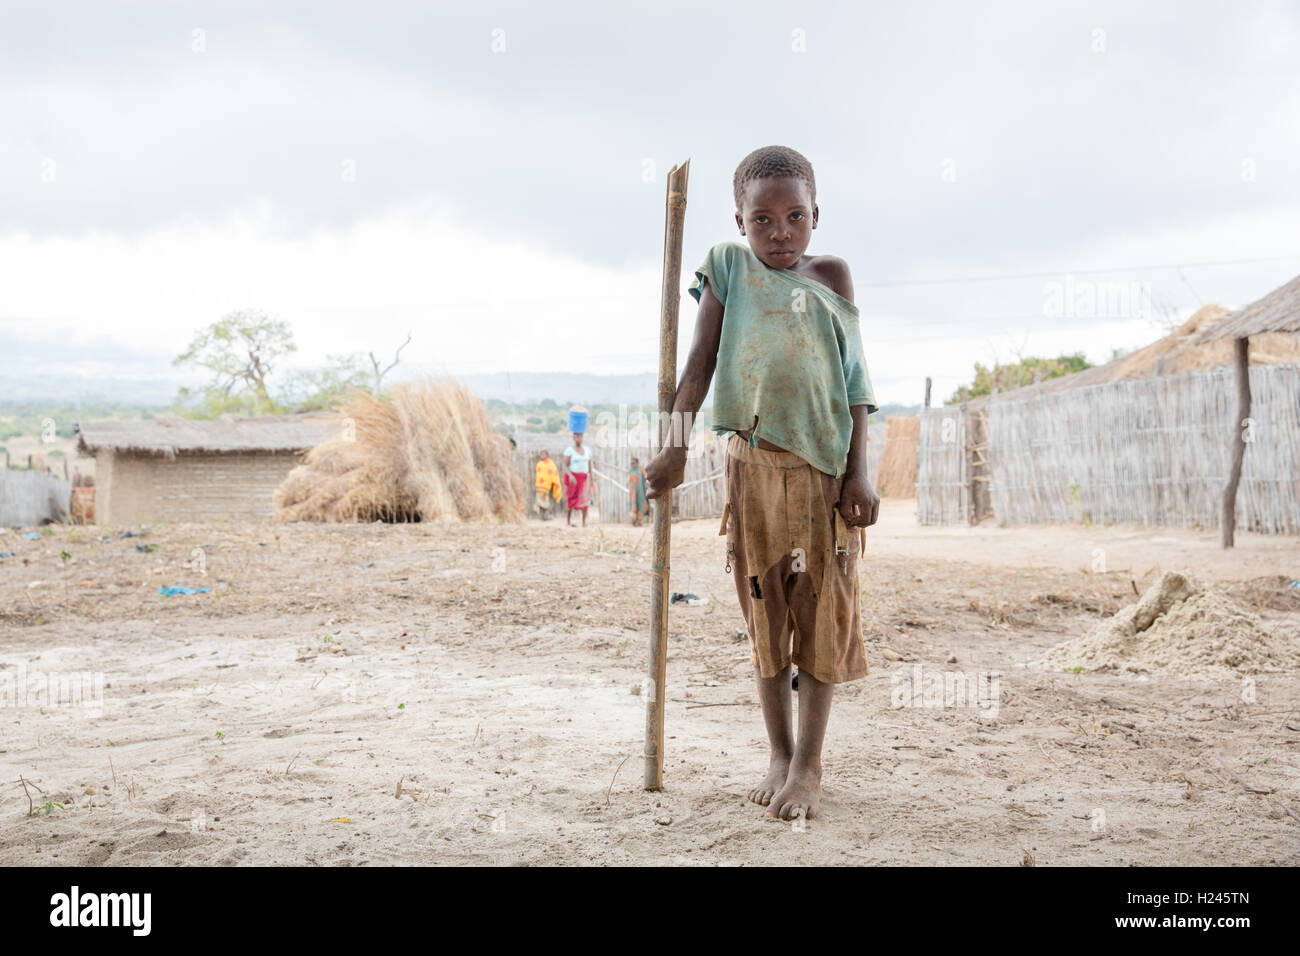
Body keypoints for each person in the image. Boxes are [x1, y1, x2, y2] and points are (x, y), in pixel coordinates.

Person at [644, 146, 880, 823]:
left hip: (822, 477)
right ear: (740, 222)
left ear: (816, 216)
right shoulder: (728, 269)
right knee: (766, 616)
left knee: (822, 614)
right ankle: (778, 753)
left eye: (795, 216)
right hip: (750, 471)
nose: (780, 233)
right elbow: (699, 365)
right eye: (763, 219)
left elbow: (856, 383)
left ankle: (809, 765)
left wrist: (860, 472)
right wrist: (677, 450)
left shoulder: (831, 275)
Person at [562, 432, 594, 527]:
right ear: (573, 438)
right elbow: (566, 466)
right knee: (571, 499)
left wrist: (591, 478)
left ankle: (584, 522)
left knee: (585, 500)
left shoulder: (587, 450)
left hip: (584, 478)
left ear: (582, 438)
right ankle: (568, 521)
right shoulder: (569, 450)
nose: (578, 439)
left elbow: (589, 465)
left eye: (580, 437)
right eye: (576, 437)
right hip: (573, 479)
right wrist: (571, 476)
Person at [533, 450, 561, 520]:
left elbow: (553, 473)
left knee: (547, 503)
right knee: (540, 503)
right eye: (541, 454)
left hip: (548, 486)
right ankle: (542, 517)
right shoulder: (539, 464)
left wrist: (552, 482)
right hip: (540, 486)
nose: (542, 456)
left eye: (543, 454)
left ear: (547, 455)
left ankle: (546, 516)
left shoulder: (550, 463)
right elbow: (539, 474)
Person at [628, 456, 650, 526]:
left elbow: (645, 480)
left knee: (641, 504)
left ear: (637, 463)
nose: (632, 464)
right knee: (633, 506)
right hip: (633, 493)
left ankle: (639, 521)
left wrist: (646, 489)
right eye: (631, 463)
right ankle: (634, 521)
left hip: (640, 492)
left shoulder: (641, 470)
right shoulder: (630, 471)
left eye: (633, 463)